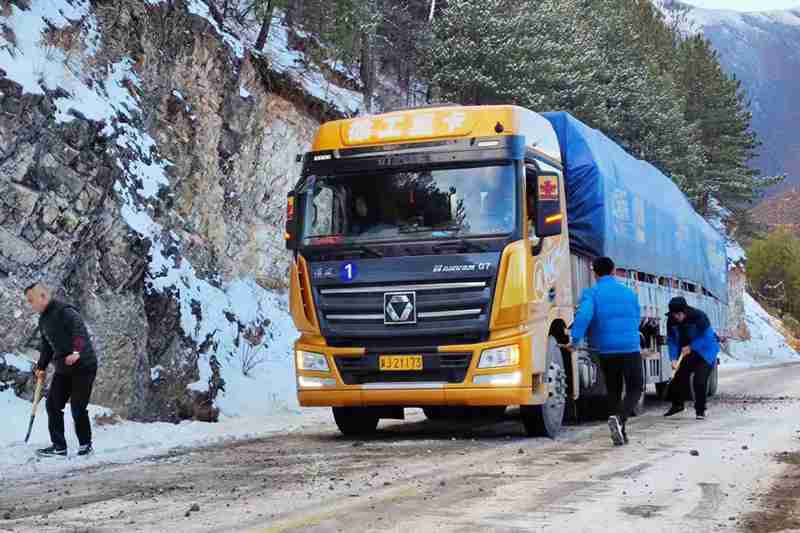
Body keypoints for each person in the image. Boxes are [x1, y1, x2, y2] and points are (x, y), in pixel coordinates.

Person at [565, 257, 643, 446]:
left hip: (607, 350)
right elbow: (637, 317)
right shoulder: (629, 293)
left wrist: (574, 340)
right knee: (635, 388)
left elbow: (584, 316)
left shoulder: (592, 293)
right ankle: (620, 418)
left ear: (595, 273)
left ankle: (619, 428)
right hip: (630, 347)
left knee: (613, 389)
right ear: (614, 271)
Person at [24, 283, 99, 458]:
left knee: (77, 407)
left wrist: (76, 351)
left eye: (31, 300)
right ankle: (59, 447)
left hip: (83, 366)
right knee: (52, 405)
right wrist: (41, 366)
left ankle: (85, 446)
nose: (30, 304)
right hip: (64, 368)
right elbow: (47, 346)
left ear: (42, 296)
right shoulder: (43, 319)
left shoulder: (65, 311)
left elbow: (79, 331)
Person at [663, 296, 719, 420]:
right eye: (674, 315)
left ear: (685, 311)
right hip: (687, 352)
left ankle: (700, 410)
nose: (676, 317)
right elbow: (672, 340)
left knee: (699, 380)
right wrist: (673, 358)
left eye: (678, 314)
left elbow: (708, 337)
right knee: (679, 376)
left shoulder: (699, 317)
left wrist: (691, 346)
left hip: (705, 352)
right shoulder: (671, 320)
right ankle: (677, 405)